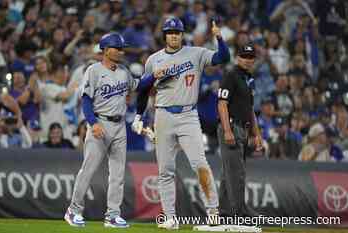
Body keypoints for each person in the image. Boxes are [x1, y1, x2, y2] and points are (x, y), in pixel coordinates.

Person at [131, 17, 230, 229]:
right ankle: (169, 217)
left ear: (182, 34)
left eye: (177, 32)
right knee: (165, 170)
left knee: (200, 164)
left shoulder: (196, 53)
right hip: (163, 115)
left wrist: (219, 37)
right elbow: (143, 89)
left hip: (188, 115)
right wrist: (139, 115)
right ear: (165, 35)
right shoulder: (153, 59)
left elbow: (224, 57)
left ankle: (213, 211)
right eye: (170, 32)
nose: (173, 35)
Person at [64, 32, 164, 228]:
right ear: (105, 50)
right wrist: (93, 124)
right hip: (100, 123)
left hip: (119, 126)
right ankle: (73, 210)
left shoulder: (123, 71)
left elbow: (137, 85)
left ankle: (112, 214)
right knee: (88, 170)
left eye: (121, 48)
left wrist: (153, 76)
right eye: (117, 48)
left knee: (117, 174)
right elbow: (85, 100)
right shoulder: (93, 70)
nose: (121, 51)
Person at [217, 43, 263, 218]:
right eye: (244, 56)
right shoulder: (231, 75)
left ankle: (224, 212)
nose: (248, 60)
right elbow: (222, 104)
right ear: (237, 58)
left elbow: (250, 110)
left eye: (251, 57)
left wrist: (257, 134)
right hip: (232, 127)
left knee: (228, 172)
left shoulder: (248, 79)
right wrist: (227, 130)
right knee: (237, 172)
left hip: (243, 129)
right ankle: (240, 212)